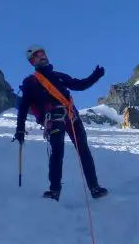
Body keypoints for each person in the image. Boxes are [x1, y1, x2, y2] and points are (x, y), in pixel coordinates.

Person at [13, 44, 108, 201]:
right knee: (57, 154)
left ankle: (94, 187)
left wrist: (95, 76)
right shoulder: (30, 82)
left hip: (72, 116)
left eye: (43, 53)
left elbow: (80, 85)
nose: (42, 55)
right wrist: (20, 129)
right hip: (54, 120)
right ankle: (54, 191)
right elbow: (23, 107)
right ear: (32, 61)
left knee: (84, 151)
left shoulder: (58, 76)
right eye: (37, 55)